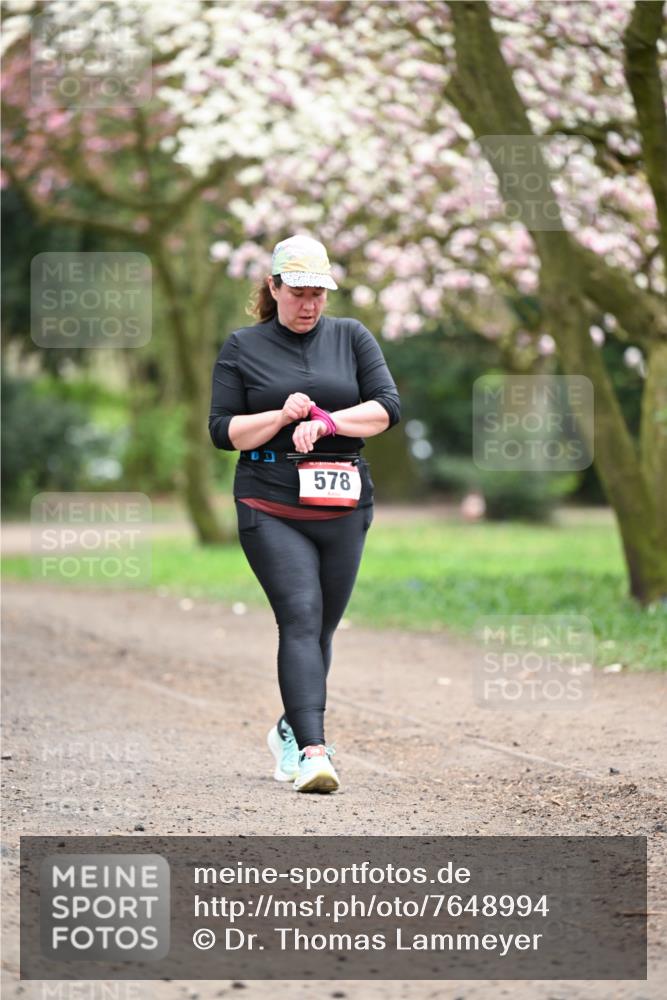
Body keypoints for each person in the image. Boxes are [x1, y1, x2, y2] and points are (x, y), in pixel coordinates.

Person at [208, 234, 400, 793]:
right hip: (270, 502)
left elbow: (386, 408)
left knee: (321, 628)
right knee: (299, 613)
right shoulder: (242, 346)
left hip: (343, 502)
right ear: (273, 287)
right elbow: (223, 432)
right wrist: (279, 415)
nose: (310, 304)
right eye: (298, 292)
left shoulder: (352, 337)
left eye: (319, 292)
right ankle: (314, 751)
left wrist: (332, 422)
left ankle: (291, 729)